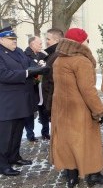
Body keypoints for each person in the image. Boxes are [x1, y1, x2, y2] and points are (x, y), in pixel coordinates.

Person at [50, 28, 103, 188]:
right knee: (88, 142)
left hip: (62, 109)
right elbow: (88, 90)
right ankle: (93, 175)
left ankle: (72, 176)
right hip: (80, 110)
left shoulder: (58, 60)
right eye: (86, 40)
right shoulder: (81, 60)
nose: (88, 42)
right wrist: (99, 110)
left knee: (68, 142)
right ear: (80, 42)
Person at [0, 27, 49, 176]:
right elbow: (4, 74)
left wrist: (38, 65)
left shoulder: (19, 51)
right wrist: (28, 72)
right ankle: (2, 164)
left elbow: (29, 62)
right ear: (1, 40)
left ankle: (14, 157)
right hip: (7, 101)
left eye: (15, 39)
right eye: (10, 39)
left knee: (17, 132)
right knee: (5, 135)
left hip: (21, 100)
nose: (14, 41)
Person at [24, 36, 50, 141]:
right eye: (39, 43)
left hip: (42, 88)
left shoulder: (43, 55)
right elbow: (26, 70)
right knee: (30, 113)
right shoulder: (25, 55)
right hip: (31, 88)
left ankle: (45, 133)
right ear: (32, 44)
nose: (41, 45)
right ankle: (30, 135)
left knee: (44, 111)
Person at [42, 28, 64, 117]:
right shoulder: (53, 54)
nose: (46, 41)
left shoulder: (56, 55)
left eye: (48, 39)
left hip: (55, 103)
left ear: (57, 40)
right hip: (52, 102)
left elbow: (52, 83)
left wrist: (48, 106)